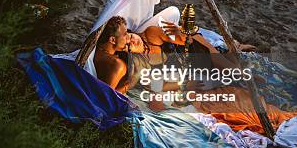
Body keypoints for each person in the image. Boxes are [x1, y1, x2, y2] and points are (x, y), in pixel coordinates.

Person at [93, 13, 256, 95]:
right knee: (218, 77)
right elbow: (157, 86)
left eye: (129, 35)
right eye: (128, 45)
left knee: (222, 64)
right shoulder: (140, 63)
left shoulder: (150, 34)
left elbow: (187, 40)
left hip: (192, 48)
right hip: (187, 68)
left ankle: (238, 63)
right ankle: (235, 51)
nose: (131, 41)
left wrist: (179, 33)